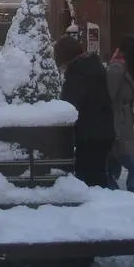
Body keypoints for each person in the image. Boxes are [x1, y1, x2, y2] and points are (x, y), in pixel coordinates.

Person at [53, 35, 115, 188]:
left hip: (88, 136)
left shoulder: (77, 75)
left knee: (91, 181)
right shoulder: (93, 67)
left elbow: (68, 106)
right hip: (102, 133)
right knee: (100, 175)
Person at [107, 34, 134, 193]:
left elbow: (132, 97)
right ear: (131, 50)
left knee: (113, 170)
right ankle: (130, 200)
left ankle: (117, 199)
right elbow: (107, 99)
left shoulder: (131, 69)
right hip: (116, 128)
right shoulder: (117, 69)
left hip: (125, 126)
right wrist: (112, 132)